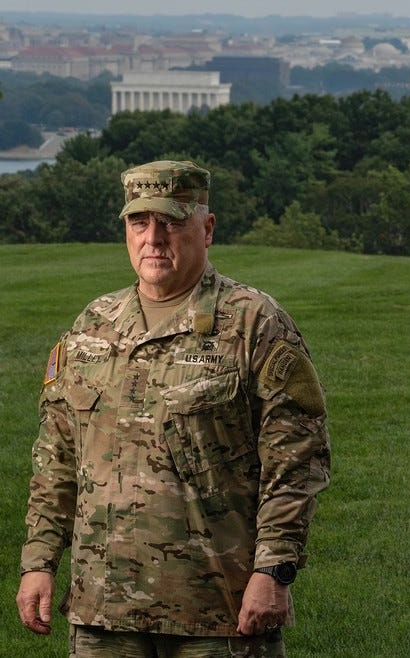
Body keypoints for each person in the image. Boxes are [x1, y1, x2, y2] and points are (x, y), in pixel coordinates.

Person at [16, 159, 330, 658]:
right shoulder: (92, 327)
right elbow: (55, 458)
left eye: (172, 221)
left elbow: (297, 462)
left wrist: (274, 570)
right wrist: (38, 561)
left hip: (217, 613)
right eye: (139, 222)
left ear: (206, 228)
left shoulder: (253, 324)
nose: (153, 238)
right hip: (103, 611)